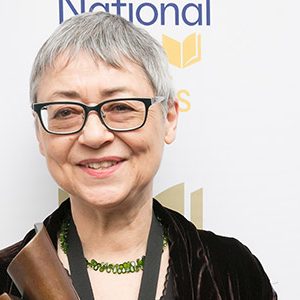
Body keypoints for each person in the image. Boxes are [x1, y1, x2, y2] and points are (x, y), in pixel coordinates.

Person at [0, 11, 277, 300]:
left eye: (121, 107)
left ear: (169, 118)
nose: (94, 135)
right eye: (66, 112)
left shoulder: (233, 270)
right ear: (40, 134)